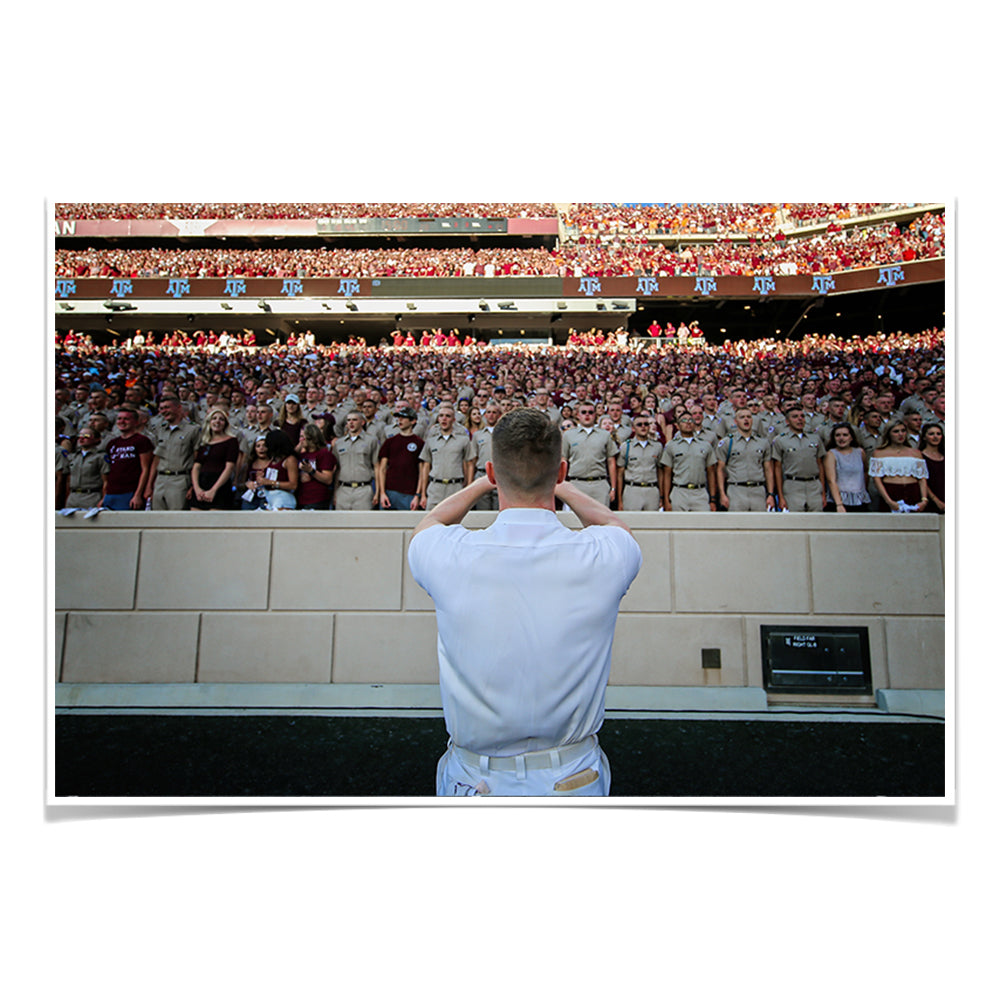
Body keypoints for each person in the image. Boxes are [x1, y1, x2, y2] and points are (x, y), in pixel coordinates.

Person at [407, 407, 642, 797]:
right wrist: (558, 485)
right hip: (572, 778)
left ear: (493, 472)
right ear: (561, 471)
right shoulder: (603, 553)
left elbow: (428, 523)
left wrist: (485, 484)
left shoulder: (449, 552)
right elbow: (617, 527)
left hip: (474, 780)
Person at [145, 394, 199, 510]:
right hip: (160, 479)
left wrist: (193, 486)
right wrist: (149, 485)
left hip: (180, 479)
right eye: (161, 408)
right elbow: (157, 458)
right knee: (158, 520)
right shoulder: (160, 429)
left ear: (179, 408)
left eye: (167, 407)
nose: (164, 411)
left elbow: (197, 459)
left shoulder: (193, 429)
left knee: (177, 520)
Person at [716, 407, 775, 512]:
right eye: (742, 417)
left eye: (749, 417)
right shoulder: (727, 442)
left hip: (758, 489)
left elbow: (768, 469)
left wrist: (770, 494)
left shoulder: (763, 442)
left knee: (759, 524)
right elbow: (720, 469)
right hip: (736, 489)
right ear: (735, 421)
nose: (746, 420)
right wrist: (722, 494)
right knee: (737, 525)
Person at [561, 400, 618, 507]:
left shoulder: (605, 435)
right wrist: (563, 485)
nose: (587, 415)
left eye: (590, 412)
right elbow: (564, 460)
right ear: (578, 415)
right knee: (574, 521)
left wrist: (613, 488)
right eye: (583, 412)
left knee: (601, 521)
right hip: (576, 483)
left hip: (599, 484)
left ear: (595, 415)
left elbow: (611, 462)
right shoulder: (568, 435)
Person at [417, 404, 475, 510]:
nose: (444, 419)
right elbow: (426, 466)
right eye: (441, 416)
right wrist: (423, 494)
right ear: (437, 418)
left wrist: (469, 489)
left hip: (455, 487)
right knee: (431, 522)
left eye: (448, 416)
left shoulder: (463, 440)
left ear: (453, 419)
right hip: (435, 487)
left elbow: (470, 464)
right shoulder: (431, 440)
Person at [659, 410, 717, 512]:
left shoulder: (705, 445)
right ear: (677, 425)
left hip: (700, 492)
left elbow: (711, 472)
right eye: (684, 420)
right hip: (679, 492)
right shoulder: (671, 446)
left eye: (691, 420)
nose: (688, 422)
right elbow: (667, 474)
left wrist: (712, 499)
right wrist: (666, 500)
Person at [772, 405, 827, 512]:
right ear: (787, 421)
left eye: (802, 416)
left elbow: (820, 464)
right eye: (795, 417)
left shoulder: (815, 438)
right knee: (795, 522)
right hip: (793, 484)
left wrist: (823, 493)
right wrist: (781, 496)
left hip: (814, 484)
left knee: (817, 521)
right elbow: (777, 468)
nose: (800, 419)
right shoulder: (780, 440)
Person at [97, 406, 154, 510]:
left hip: (130, 492)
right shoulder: (112, 443)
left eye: (126, 419)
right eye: (119, 419)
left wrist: (138, 494)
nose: (122, 421)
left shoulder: (142, 441)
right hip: (111, 492)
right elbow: (109, 472)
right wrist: (104, 497)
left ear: (136, 422)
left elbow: (146, 469)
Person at [869, 419, 929, 513]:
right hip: (891, 491)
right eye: (896, 431)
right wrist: (888, 501)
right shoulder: (879, 453)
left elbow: (922, 479)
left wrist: (924, 500)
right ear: (889, 433)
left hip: (912, 491)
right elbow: (877, 480)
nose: (900, 434)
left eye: (903, 431)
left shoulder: (916, 453)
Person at [190, 407, 241, 510]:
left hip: (220, 486)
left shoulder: (231, 441)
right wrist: (196, 488)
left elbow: (229, 467)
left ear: (225, 423)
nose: (217, 421)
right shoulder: (205, 442)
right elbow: (196, 467)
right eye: (214, 418)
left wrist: (213, 490)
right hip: (201, 484)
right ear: (209, 422)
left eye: (221, 419)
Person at [377, 406, 424, 510]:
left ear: (413, 421)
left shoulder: (419, 443)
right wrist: (382, 493)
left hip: (409, 494)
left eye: (403, 417)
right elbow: (382, 469)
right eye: (398, 417)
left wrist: (417, 495)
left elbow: (422, 471)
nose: (399, 420)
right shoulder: (390, 442)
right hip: (389, 492)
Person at [616, 412, 663, 511]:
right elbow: (620, 474)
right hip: (632, 489)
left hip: (652, 489)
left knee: (652, 522)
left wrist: (661, 496)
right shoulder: (626, 446)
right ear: (633, 428)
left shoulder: (657, 446)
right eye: (639, 424)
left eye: (646, 424)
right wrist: (620, 500)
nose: (643, 427)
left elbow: (660, 472)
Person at [334, 409, 380, 510]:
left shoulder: (371, 440)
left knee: (363, 523)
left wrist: (377, 492)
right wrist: (335, 492)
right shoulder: (339, 443)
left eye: (354, 420)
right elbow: (337, 469)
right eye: (348, 420)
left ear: (362, 422)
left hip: (363, 489)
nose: (351, 422)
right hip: (343, 489)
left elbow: (377, 467)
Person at [822, 422, 871, 512]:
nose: (841, 438)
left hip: (860, 500)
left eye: (845, 435)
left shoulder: (860, 452)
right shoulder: (831, 454)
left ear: (851, 437)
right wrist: (839, 504)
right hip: (839, 501)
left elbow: (865, 472)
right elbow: (831, 480)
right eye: (838, 435)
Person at [295, 423, 337, 510]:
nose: (300, 439)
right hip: (301, 499)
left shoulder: (324, 454)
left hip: (317, 499)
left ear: (311, 438)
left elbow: (328, 479)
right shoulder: (302, 455)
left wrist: (311, 471)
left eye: (303, 437)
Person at [256, 429, 299, 510]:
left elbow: (293, 485)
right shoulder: (273, 459)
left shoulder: (290, 460)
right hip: (270, 499)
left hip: (283, 499)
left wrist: (270, 482)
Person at [64, 428, 107, 508]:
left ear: (96, 439)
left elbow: (106, 481)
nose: (81, 438)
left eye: (86, 436)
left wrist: (103, 499)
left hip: (92, 496)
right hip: (73, 497)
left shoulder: (100, 457)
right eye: (79, 436)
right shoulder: (73, 457)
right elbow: (68, 480)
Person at [919, 422, 945, 514]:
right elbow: (922, 480)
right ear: (924, 437)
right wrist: (936, 501)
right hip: (930, 501)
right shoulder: (920, 456)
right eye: (931, 434)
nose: (935, 437)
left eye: (938, 434)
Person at [241, 436, 271, 510]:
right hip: (250, 499)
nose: (261, 448)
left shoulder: (273, 463)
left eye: (265, 445)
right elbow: (239, 484)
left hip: (268, 498)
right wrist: (247, 484)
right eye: (258, 446)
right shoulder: (249, 464)